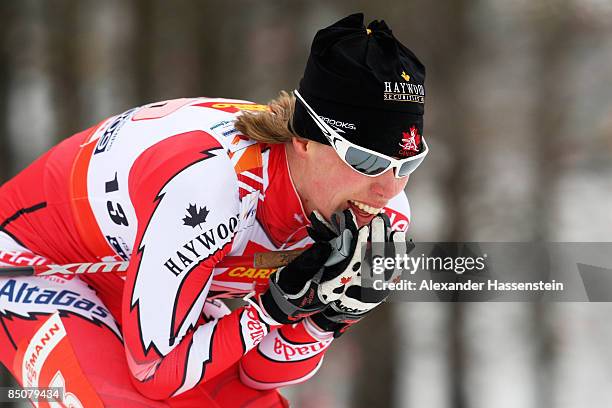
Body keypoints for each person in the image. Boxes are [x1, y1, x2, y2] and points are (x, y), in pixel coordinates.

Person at [0, 13, 427, 407]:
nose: (387, 188)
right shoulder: (214, 189)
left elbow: (257, 377)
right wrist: (271, 311)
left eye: (408, 164)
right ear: (304, 140)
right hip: (35, 266)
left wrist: (327, 320)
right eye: (366, 161)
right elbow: (155, 374)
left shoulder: (381, 214)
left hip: (148, 268)